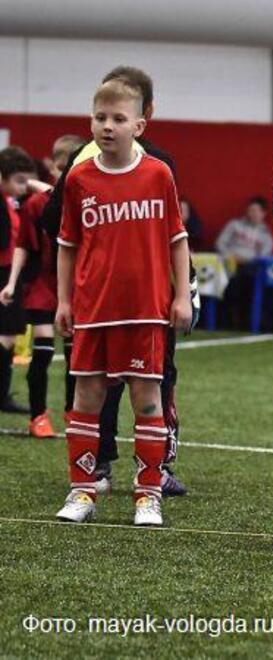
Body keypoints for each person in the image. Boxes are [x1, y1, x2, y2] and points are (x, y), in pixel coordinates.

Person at [41, 66, 197, 498]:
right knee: (88, 392)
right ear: (91, 120)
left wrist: (182, 295)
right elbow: (64, 237)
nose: (108, 126)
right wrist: (64, 299)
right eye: (100, 117)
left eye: (118, 118)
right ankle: (88, 481)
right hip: (94, 305)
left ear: (142, 121)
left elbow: (176, 238)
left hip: (148, 305)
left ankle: (151, 485)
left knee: (150, 392)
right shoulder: (78, 174)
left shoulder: (159, 171)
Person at [0, 135, 84, 436]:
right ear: (54, 166)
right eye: (62, 168)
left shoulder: (87, 200)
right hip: (43, 286)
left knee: (77, 358)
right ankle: (38, 416)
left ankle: (74, 413)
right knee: (44, 351)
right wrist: (11, 283)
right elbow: (22, 244)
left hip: (77, 287)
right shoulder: (37, 203)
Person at [0, 146, 36, 415]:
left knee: (10, 337)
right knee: (7, 337)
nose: (25, 186)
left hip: (10, 274)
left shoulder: (14, 202)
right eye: (19, 180)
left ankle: (2, 394)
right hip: (3, 274)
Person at [216, 196, 273, 328]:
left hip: (250, 268)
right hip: (228, 264)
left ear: (263, 213)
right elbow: (220, 244)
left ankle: (244, 319)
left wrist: (247, 260)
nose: (252, 213)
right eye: (250, 210)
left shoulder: (265, 234)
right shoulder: (234, 225)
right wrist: (230, 257)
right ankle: (226, 319)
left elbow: (265, 255)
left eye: (256, 211)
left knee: (248, 279)